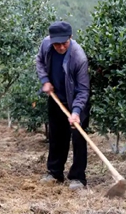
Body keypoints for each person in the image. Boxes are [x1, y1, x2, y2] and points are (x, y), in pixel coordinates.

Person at [35, 21, 91, 190]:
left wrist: (76, 112)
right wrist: (45, 80)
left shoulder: (78, 57)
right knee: (57, 136)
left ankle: (77, 177)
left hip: (76, 101)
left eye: (64, 43)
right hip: (56, 97)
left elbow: (83, 89)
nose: (60, 47)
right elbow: (39, 61)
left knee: (79, 138)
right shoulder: (46, 44)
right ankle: (54, 172)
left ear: (71, 38)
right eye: (57, 43)